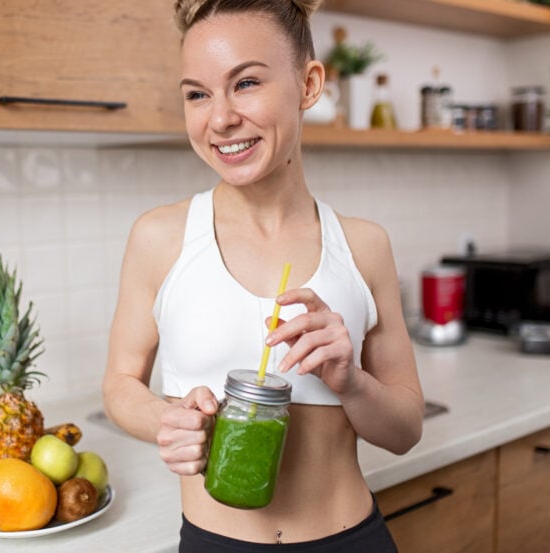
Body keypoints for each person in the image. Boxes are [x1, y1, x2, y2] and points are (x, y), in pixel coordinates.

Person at [103, 0, 425, 550]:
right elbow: (118, 386)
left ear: (309, 84)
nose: (220, 118)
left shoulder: (365, 247)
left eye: (245, 83)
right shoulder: (160, 238)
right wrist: (165, 418)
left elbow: (404, 430)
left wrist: (350, 381)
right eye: (197, 94)